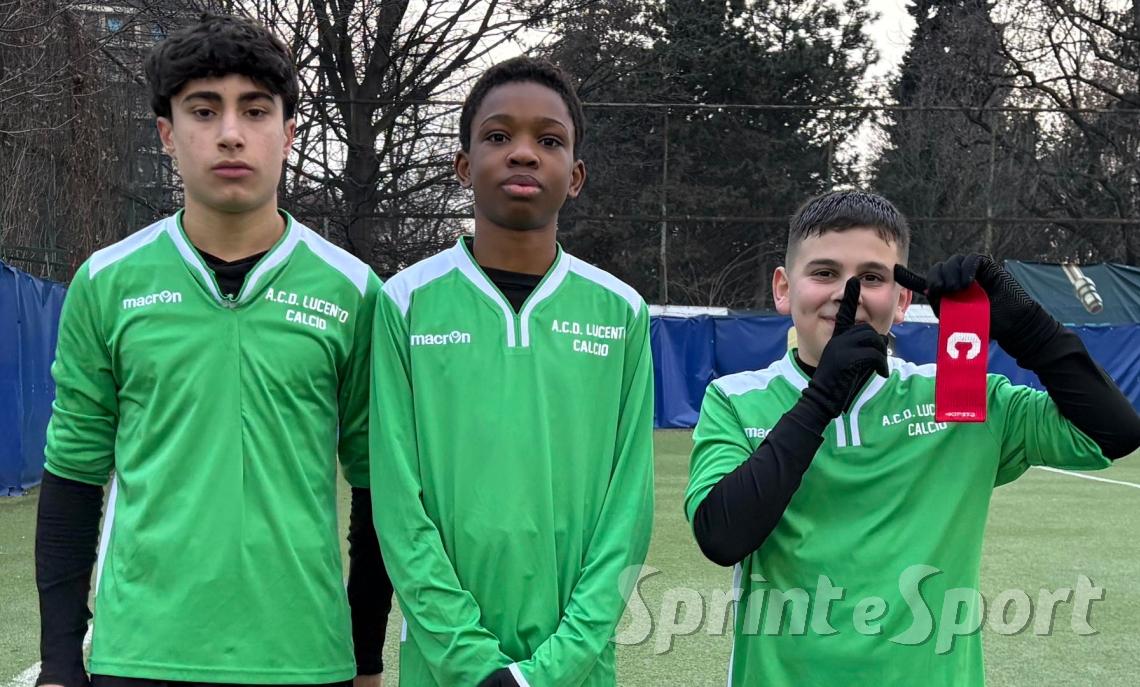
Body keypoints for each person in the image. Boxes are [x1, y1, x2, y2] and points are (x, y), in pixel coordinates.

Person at [36, 14, 392, 687]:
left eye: (255, 110)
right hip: (137, 655)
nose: (230, 132)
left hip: (304, 660)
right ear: (168, 133)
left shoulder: (353, 292)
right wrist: (59, 662)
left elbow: (378, 489)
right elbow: (74, 475)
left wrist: (367, 657)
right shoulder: (107, 282)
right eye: (204, 110)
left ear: (288, 132)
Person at [684, 190, 1140, 685]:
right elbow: (722, 536)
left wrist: (1031, 329)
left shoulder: (957, 396)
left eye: (873, 278)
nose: (845, 292)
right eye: (823, 273)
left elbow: (1113, 432)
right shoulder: (735, 398)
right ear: (782, 288)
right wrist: (820, 401)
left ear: (902, 301)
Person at [369, 56, 654, 687]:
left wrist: (551, 670)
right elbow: (397, 504)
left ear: (575, 175)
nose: (523, 154)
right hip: (445, 666)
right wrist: (474, 665)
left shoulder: (622, 311)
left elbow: (628, 510)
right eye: (498, 137)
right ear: (464, 166)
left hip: (575, 668)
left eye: (548, 141)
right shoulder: (405, 303)